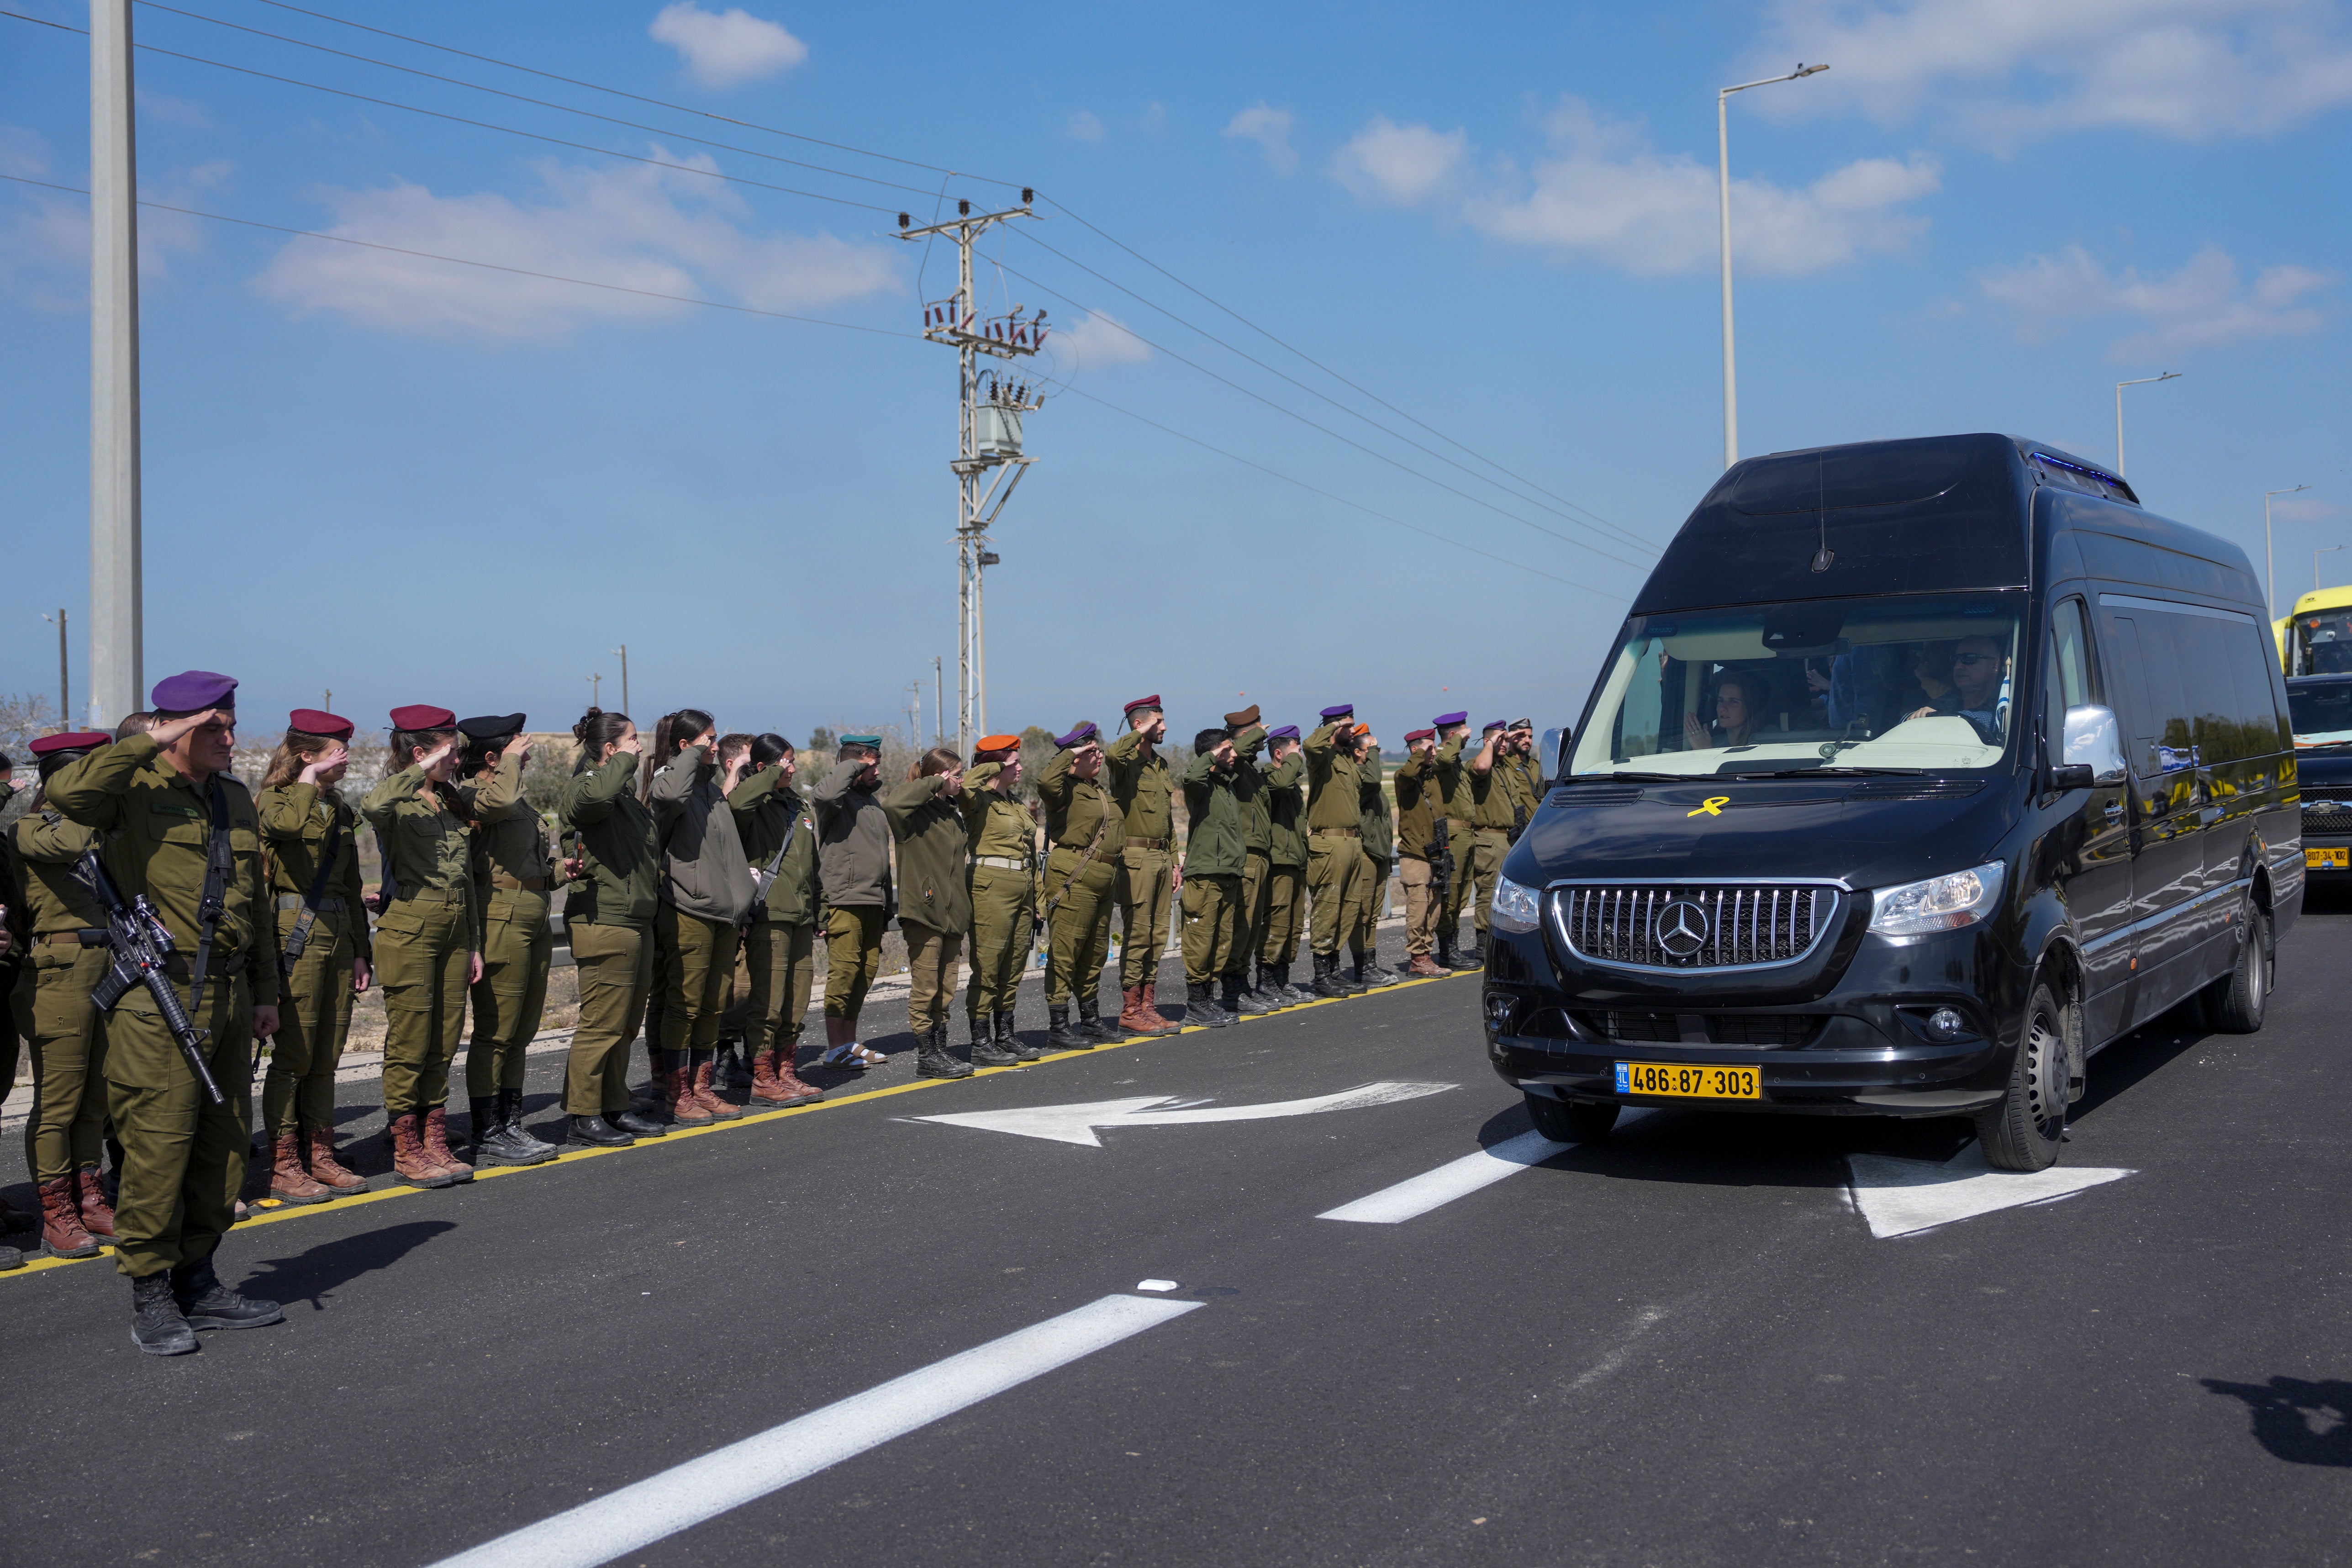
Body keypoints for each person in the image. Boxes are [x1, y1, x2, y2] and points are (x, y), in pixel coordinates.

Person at [47, 671, 284, 1355]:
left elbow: (256, 907)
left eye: (231, 724)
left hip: (232, 996)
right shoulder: (131, 791)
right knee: (158, 1147)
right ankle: (151, 1293)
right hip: (160, 999)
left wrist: (266, 992)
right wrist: (151, 740)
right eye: (215, 728)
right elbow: (67, 794)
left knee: (224, 1144)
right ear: (177, 729)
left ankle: (200, 1282)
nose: (230, 739)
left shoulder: (235, 798)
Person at [253, 710, 374, 1203]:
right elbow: (282, 828)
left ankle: (320, 1154)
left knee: (327, 1053)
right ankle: (284, 1164)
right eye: (336, 750)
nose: (346, 757)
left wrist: (362, 951)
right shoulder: (276, 800)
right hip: (293, 932)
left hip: (339, 934)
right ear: (307, 755)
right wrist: (305, 781)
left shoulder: (340, 810)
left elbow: (349, 885)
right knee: (295, 1054)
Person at [361, 704, 484, 1189]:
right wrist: (419, 768)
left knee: (443, 1037)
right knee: (411, 1041)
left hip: (454, 926)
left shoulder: (451, 803)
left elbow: (466, 881)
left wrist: (473, 941)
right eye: (450, 751)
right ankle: (406, 1146)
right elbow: (372, 806)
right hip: (411, 926)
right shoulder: (399, 802)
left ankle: (435, 1138)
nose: (459, 759)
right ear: (421, 751)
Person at [10, 730, 121, 1255]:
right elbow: (76, 843)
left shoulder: (104, 824)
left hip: (108, 962)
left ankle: (90, 1196)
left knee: (96, 1098)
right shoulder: (32, 827)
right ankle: (57, 1211)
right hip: (58, 970)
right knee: (60, 1100)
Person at [452, 713, 559, 1167]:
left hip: (532, 910)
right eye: (519, 746)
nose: (528, 752)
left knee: (522, 1030)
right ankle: (487, 1129)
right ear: (493, 756)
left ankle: (510, 1122)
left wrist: (556, 872)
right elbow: (498, 802)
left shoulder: (506, 789)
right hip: (501, 916)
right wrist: (508, 764)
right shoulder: (476, 793)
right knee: (497, 1030)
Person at [557, 708, 666, 1147]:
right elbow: (592, 800)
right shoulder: (586, 787)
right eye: (633, 740)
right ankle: (584, 1114)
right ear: (609, 749)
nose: (640, 746)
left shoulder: (620, 796)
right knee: (601, 1023)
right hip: (604, 919)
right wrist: (620, 761)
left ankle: (614, 1103)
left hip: (635, 918)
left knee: (625, 1023)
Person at [644, 709, 756, 1125]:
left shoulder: (711, 792)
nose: (715, 745)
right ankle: (676, 1093)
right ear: (684, 746)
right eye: (707, 739)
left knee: (712, 1006)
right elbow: (669, 797)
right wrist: (688, 755)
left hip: (724, 913)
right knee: (685, 1005)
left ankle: (701, 1087)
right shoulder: (669, 782)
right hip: (688, 908)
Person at [725, 734, 826, 1108]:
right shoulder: (756, 801)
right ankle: (763, 1078)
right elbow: (734, 805)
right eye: (786, 762)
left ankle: (786, 1072)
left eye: (793, 761)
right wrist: (761, 774)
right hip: (769, 913)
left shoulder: (799, 806)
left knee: (796, 1001)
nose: (793, 768)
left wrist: (821, 907)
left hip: (800, 914)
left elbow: (813, 865)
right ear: (766, 767)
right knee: (767, 1001)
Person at [886, 747, 977, 1079]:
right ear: (938, 776)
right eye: (955, 773)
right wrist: (932, 782)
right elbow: (893, 804)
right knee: (926, 986)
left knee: (946, 987)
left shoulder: (950, 812)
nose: (961, 779)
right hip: (924, 911)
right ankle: (926, 1054)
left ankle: (941, 1048)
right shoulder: (912, 814)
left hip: (952, 914)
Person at [1036, 722, 1126, 1049]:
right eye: (1091, 751)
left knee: (1095, 951)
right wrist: (1071, 753)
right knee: (1066, 951)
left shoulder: (1098, 791)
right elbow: (1045, 780)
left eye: (1098, 749)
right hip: (1074, 876)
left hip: (1104, 878)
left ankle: (1090, 1019)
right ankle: (1059, 1025)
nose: (1098, 755)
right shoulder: (1064, 789)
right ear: (1073, 757)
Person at [959, 734, 1041, 1065]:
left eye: (1018, 761)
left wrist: (1039, 899)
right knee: (989, 965)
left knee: (1014, 964)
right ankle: (981, 1041)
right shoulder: (978, 799)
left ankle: (1005, 1034)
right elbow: (967, 782)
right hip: (990, 885)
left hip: (1022, 885)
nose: (1019, 767)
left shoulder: (1016, 802)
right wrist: (994, 763)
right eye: (1014, 762)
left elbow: (1030, 853)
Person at [814, 736, 891, 1068]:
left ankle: (850, 1042)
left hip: (873, 898)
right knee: (844, 974)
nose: (876, 770)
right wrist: (855, 764)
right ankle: (835, 1048)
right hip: (844, 899)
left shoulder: (871, 802)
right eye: (870, 764)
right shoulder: (836, 799)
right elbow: (826, 792)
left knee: (864, 973)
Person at [1107, 696, 1179, 1037]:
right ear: (1140, 725)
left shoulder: (1160, 765)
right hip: (1136, 858)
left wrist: (1176, 861)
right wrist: (1140, 732)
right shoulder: (1126, 763)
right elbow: (1112, 754)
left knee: (1157, 936)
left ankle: (1148, 1007)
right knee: (1138, 934)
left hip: (1163, 858)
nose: (1164, 727)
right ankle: (1131, 1010)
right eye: (1157, 722)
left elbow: (1167, 819)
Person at [1178, 726, 1257, 1026]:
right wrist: (1213, 753)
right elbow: (1191, 777)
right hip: (1206, 874)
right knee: (1201, 940)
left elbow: (1244, 752)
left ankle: (1208, 1002)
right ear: (1214, 753)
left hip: (1228, 874)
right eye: (1228, 750)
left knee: (1222, 940)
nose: (1234, 754)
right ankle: (1197, 1004)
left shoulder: (1227, 784)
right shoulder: (1201, 785)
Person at [1303, 704, 1369, 998]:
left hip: (1353, 842)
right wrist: (1333, 726)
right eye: (1348, 726)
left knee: (1348, 908)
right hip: (1328, 843)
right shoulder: (1323, 758)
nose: (1353, 731)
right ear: (1335, 726)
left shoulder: (1346, 759)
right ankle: (1320, 976)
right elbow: (1310, 744)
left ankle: (1334, 970)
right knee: (1328, 907)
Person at [1223, 706, 1284, 1011]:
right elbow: (1236, 751)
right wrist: (1256, 733)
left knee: (1253, 925)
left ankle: (1243, 985)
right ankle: (1232, 991)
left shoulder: (1249, 771)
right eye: (1259, 732)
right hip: (1245, 856)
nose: (1265, 738)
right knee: (1242, 925)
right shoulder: (1233, 764)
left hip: (1260, 856)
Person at [1254, 725, 1312, 1005]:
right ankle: (1266, 979)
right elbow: (1280, 785)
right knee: (1276, 922)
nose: (1300, 753)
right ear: (1279, 753)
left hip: (1296, 859)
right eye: (1295, 748)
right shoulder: (1269, 777)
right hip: (1278, 860)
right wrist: (1293, 761)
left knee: (1293, 925)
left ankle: (1281, 978)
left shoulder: (1292, 783)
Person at [1458, 720, 1516, 970]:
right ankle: (1484, 945)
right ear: (1488, 742)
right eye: (1499, 740)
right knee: (1489, 893)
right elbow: (1482, 766)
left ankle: (1502, 942)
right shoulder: (1480, 763)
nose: (1504, 744)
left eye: (1505, 740)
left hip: (1508, 838)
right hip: (1488, 838)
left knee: (1509, 895)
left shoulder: (1506, 768)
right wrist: (1491, 743)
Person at [1429, 711, 1481, 971]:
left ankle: (1453, 947)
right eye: (1464, 733)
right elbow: (1443, 757)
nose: (1468, 737)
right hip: (1454, 833)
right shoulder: (1442, 757)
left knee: (1461, 893)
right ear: (1452, 735)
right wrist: (1456, 740)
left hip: (1467, 834)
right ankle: (1447, 950)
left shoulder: (1456, 761)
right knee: (1451, 891)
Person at [1351, 724, 1402, 988]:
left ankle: (1369, 963)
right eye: (1372, 749)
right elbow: (1372, 780)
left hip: (1379, 852)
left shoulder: (1371, 775)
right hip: (1365, 852)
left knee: (1371, 913)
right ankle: (1362, 966)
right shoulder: (1360, 776)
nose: (1376, 753)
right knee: (1362, 911)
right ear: (1358, 752)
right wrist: (1375, 755)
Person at [1392, 729, 1446, 976]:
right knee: (1418, 907)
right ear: (1415, 751)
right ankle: (1417, 958)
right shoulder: (1404, 777)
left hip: (1436, 852)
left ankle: (1427, 954)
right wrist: (1419, 755)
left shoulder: (1431, 777)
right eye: (1429, 748)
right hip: (1415, 853)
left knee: (1434, 909)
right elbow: (1408, 773)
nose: (1434, 752)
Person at [1905, 635, 2009, 738]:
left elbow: (1994, 721)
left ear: (1995, 665)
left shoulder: (2008, 702)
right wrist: (1916, 716)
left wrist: (1941, 719)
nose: (1958, 666)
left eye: (1969, 658)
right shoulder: (1947, 700)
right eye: (1956, 659)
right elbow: (1906, 722)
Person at [1683, 670, 1766, 750]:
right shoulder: (1713, 742)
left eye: (1733, 702)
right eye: (1721, 701)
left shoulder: (1768, 740)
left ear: (1749, 707)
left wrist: (1706, 750)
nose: (1723, 708)